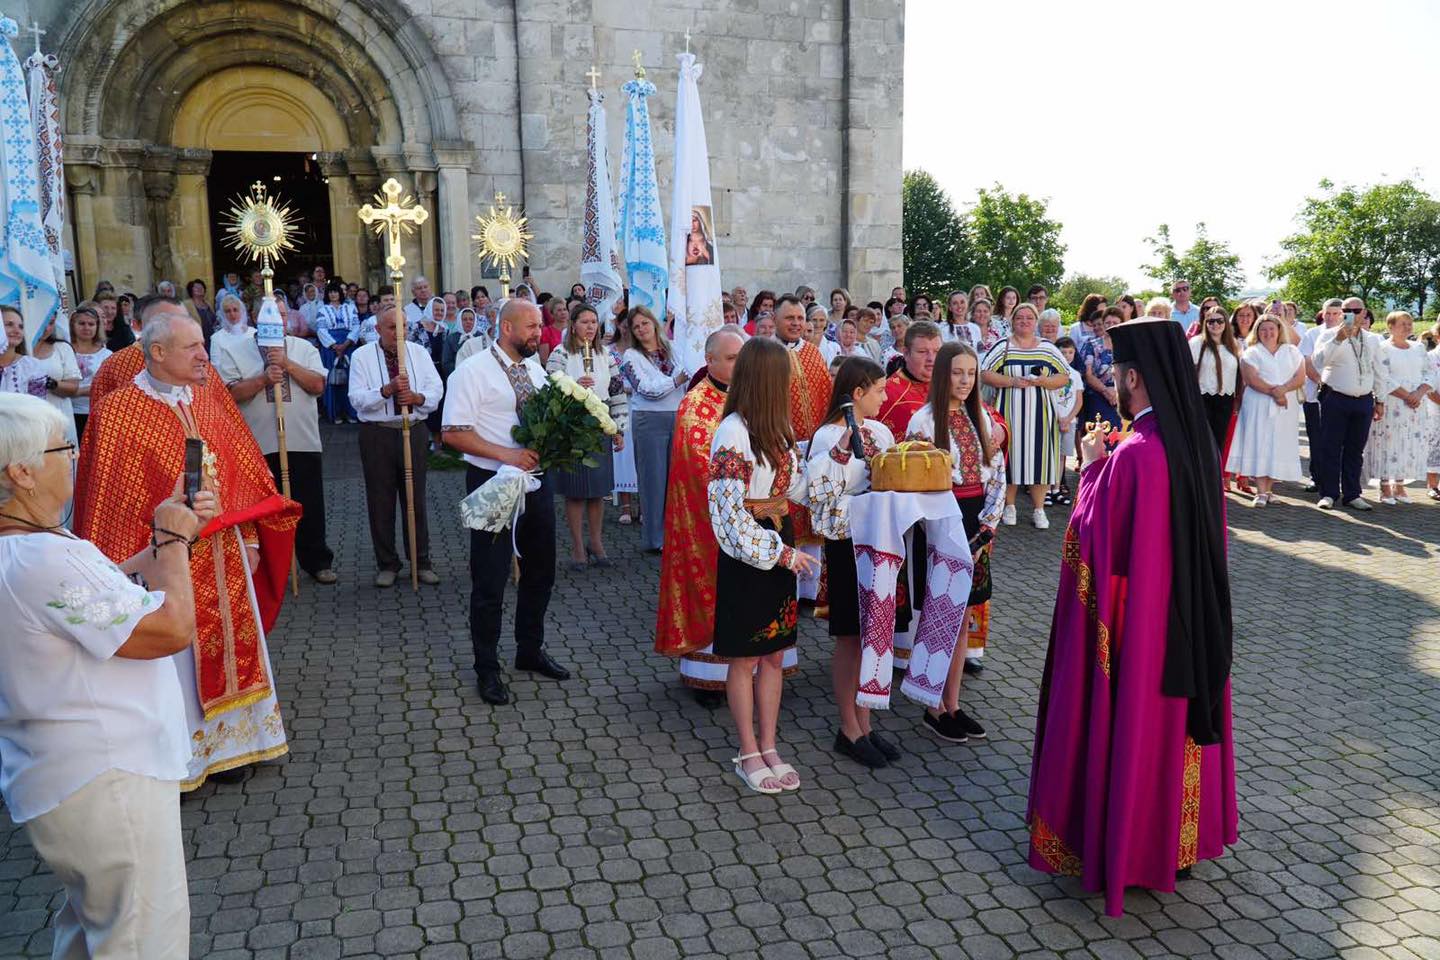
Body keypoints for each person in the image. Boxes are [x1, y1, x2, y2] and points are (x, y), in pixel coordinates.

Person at [1027, 317, 1237, 917]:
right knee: (1178, 732)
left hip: (1143, 631)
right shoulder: (1194, 443)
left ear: (1135, 377)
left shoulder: (1138, 456)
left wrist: (1091, 466)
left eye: (1118, 373)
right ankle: (1179, 845)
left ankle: (1134, 850)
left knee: (1138, 728)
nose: (1113, 383)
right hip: (1193, 621)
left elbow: (1093, 545)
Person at [0, 393, 204, 960]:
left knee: (96, 930)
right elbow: (170, 629)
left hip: (64, 774)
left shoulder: (26, 549)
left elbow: (93, 600)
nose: (76, 457)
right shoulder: (40, 559)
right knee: (143, 938)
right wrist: (173, 541)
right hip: (107, 776)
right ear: (20, 471)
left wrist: (165, 542)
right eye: (64, 448)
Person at [73, 297, 299, 789]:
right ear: (156, 352)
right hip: (168, 561)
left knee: (235, 644)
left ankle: (238, 745)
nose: (204, 356)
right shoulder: (116, 414)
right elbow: (111, 498)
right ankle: (184, 759)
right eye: (193, 347)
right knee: (177, 660)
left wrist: (250, 530)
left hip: (225, 554)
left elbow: (242, 468)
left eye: (204, 345)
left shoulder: (208, 395)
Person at [441, 299, 570, 706]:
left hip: (535, 480)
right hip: (491, 480)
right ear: (507, 328)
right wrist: (507, 455)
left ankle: (529, 649)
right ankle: (487, 667)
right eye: (532, 326)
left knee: (541, 570)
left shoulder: (535, 368)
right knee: (490, 579)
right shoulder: (472, 372)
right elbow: (453, 432)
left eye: (539, 325)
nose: (538, 332)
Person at [708, 337, 819, 793]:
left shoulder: (777, 430)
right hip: (750, 555)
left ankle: (770, 744)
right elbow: (728, 516)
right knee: (746, 656)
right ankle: (748, 749)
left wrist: (837, 460)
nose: (792, 383)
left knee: (774, 653)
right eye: (785, 377)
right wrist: (782, 555)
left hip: (778, 545)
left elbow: (796, 489)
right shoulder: (732, 430)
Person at [902, 343, 1005, 742]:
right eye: (957, 373)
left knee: (963, 617)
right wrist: (947, 535)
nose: (965, 381)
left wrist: (987, 529)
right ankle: (932, 705)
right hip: (942, 526)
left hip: (976, 523)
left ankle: (953, 702)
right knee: (940, 614)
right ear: (942, 374)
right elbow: (917, 486)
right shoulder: (923, 422)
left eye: (971, 373)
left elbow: (996, 474)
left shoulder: (980, 415)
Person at [805, 357, 899, 768]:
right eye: (879, 389)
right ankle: (848, 728)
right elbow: (822, 498)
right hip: (848, 544)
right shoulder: (829, 436)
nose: (885, 396)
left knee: (871, 635)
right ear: (857, 393)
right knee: (850, 637)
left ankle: (867, 723)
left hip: (879, 542)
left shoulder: (879, 430)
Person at [212, 303, 337, 583]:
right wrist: (264, 377)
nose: (277, 319)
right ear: (257, 317)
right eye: (271, 314)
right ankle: (271, 567)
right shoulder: (236, 349)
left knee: (308, 504)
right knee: (265, 509)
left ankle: (316, 561)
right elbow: (230, 394)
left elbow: (318, 385)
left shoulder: (304, 348)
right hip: (259, 442)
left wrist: (287, 364)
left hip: (301, 438)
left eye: (282, 314)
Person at [347, 303, 444, 586]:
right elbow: (356, 399)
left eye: (403, 327)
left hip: (412, 429)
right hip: (377, 433)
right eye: (392, 328)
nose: (399, 333)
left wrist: (417, 398)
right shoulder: (362, 356)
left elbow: (435, 388)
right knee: (381, 499)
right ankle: (387, 563)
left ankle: (421, 560)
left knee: (415, 498)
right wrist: (385, 392)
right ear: (377, 329)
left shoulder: (418, 353)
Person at [547, 304, 627, 567]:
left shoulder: (608, 355)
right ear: (573, 325)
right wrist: (572, 386)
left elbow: (616, 392)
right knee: (576, 491)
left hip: (599, 423)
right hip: (573, 426)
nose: (591, 327)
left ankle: (596, 541)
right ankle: (578, 547)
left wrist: (618, 428)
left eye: (594, 322)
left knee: (598, 489)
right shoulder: (560, 353)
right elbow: (549, 383)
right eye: (585, 322)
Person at [981, 302, 1072, 529]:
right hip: (1008, 412)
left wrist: (1043, 381)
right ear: (1012, 321)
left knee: (1040, 461)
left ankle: (1039, 509)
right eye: (1019, 317)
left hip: (1041, 415)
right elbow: (984, 373)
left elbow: (1064, 377)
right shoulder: (1003, 346)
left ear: (1036, 322)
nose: (1024, 321)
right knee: (1011, 457)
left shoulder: (1047, 348)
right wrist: (1011, 381)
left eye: (1029, 318)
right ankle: (1009, 506)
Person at [618, 306, 689, 554]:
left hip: (677, 416)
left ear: (653, 323)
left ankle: (674, 534)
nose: (641, 329)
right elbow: (646, 389)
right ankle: (654, 539)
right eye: (636, 327)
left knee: (675, 480)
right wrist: (675, 381)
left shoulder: (674, 349)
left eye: (644, 323)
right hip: (649, 420)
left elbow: (688, 376)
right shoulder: (630, 356)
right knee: (653, 480)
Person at [1312, 297, 1385, 511]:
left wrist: (1380, 399)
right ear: (1342, 312)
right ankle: (1328, 493)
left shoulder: (1373, 339)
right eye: (1347, 310)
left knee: (1355, 449)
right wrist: (1338, 338)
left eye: (1357, 309)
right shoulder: (1327, 334)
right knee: (1331, 447)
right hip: (1336, 397)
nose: (1352, 312)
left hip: (1363, 400)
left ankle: (1352, 493)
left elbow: (1379, 371)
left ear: (1364, 313)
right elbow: (1318, 362)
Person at [1226, 314, 1305, 506]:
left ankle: (1269, 490)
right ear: (1257, 332)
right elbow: (1251, 378)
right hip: (1258, 404)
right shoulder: (1251, 352)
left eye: (1271, 329)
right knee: (1259, 442)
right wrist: (1275, 393)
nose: (1268, 333)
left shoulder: (1292, 351)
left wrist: (1283, 390)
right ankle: (1260, 492)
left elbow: (1300, 376)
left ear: (1279, 331)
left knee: (1277, 445)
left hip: (1286, 405)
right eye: (1263, 329)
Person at [1371, 311, 1433, 504]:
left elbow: (1429, 373)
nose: (1407, 327)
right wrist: (1406, 395)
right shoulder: (1382, 348)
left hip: (1415, 405)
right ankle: (1384, 486)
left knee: (1407, 444)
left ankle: (1399, 485)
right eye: (1402, 324)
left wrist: (1419, 393)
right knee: (1388, 443)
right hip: (1393, 402)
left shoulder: (1418, 348)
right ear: (1390, 326)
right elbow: (1383, 377)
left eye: (1409, 323)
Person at [1300, 300, 1342, 492]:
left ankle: (1334, 479)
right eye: (1328, 313)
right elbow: (1307, 362)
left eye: (1335, 313)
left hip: (1340, 396)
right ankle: (1316, 477)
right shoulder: (1312, 334)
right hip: (1314, 395)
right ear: (1322, 313)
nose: (1331, 317)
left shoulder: (1347, 334)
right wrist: (1323, 383)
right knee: (1316, 438)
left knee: (1336, 440)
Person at [1190, 306, 1242, 455]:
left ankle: (1215, 476)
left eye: (1219, 321)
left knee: (1219, 443)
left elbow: (1239, 374)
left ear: (1226, 322)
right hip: (1202, 399)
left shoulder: (1234, 345)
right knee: (1202, 444)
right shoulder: (1196, 343)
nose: (1215, 324)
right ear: (1205, 323)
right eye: (1211, 321)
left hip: (1225, 399)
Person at [29, 311, 82, 444]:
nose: (46, 328)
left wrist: (49, 383)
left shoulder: (62, 348)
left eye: (51, 323)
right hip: (29, 423)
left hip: (59, 418)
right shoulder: (18, 350)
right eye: (42, 323)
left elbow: (73, 388)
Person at [315, 280, 360, 423]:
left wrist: (346, 344)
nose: (333, 294)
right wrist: (335, 346)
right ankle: (335, 413)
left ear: (340, 293)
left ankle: (351, 412)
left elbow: (356, 326)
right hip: (330, 347)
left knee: (351, 380)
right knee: (332, 381)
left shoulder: (350, 307)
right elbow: (321, 329)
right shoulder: (322, 310)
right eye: (331, 292)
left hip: (348, 345)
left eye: (336, 291)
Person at [1077, 305, 1123, 434]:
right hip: (1097, 394)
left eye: (1115, 322)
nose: (1111, 325)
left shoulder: (1128, 345)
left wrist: (1117, 391)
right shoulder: (1091, 344)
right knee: (1099, 439)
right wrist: (1105, 391)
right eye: (1108, 322)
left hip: (1121, 395)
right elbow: (1088, 374)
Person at [69, 305, 111, 438]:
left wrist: (77, 391)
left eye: (91, 324)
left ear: (97, 327)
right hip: (68, 410)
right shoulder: (64, 350)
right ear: (73, 325)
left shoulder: (106, 354)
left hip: (94, 412)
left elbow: (106, 385)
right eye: (81, 323)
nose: (86, 328)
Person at [1, 306, 47, 397]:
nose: (17, 331)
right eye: (9, 324)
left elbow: (38, 405)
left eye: (21, 327)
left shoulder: (31, 366)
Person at [184, 278, 216, 351]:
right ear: (191, 290)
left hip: (211, 338)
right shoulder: (186, 304)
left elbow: (214, 320)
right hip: (196, 340)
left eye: (201, 287)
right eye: (196, 287)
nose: (199, 289)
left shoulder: (208, 304)